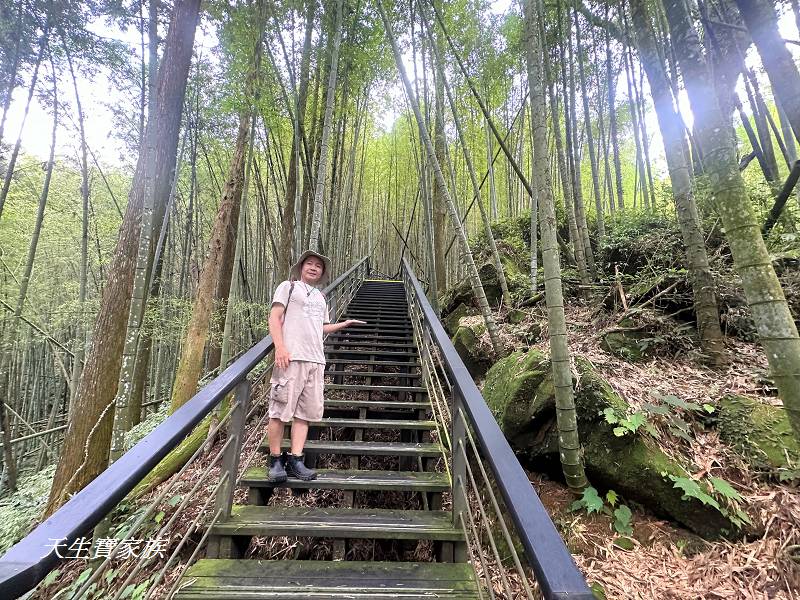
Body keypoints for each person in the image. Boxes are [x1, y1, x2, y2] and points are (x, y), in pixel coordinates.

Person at [266, 250, 364, 482]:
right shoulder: (288, 287)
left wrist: (344, 324)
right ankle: (276, 460)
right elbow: (274, 317)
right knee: (279, 411)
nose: (313, 267)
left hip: (316, 360)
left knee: (304, 414)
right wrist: (280, 347)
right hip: (291, 358)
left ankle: (296, 460)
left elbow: (322, 327)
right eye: (309, 263)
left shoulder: (321, 297)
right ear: (301, 267)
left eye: (318, 266)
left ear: (322, 273)